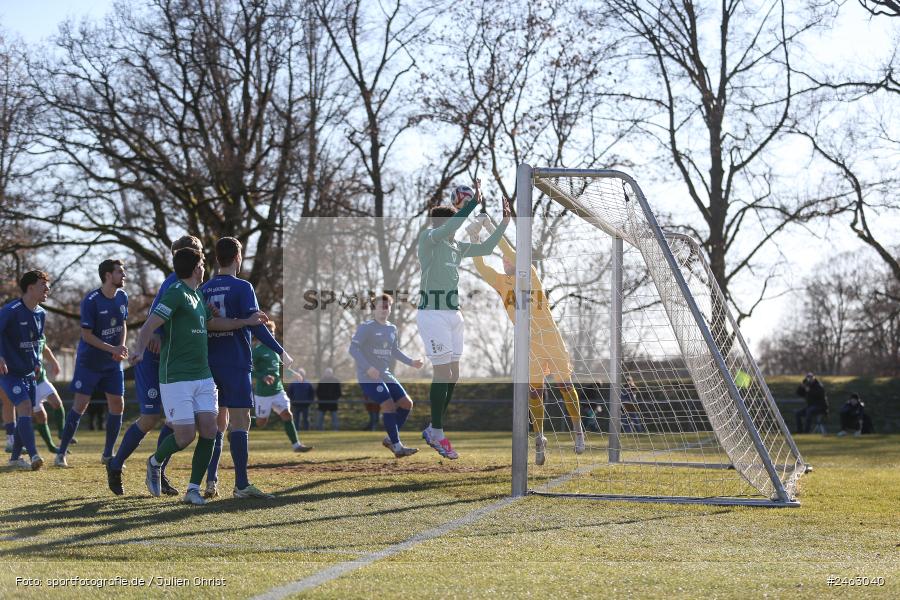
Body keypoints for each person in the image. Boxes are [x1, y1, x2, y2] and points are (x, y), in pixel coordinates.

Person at [130, 247, 266, 505]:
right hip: (176, 377)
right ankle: (154, 461)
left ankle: (192, 489)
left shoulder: (197, 296)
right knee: (185, 436)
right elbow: (150, 325)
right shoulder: (175, 294)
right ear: (195, 268)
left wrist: (244, 322)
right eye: (202, 263)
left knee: (210, 430)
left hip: (203, 376)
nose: (205, 267)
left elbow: (213, 324)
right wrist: (138, 351)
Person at [468, 212, 584, 465]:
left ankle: (577, 430)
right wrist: (476, 238)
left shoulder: (529, 273)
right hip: (527, 345)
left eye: (509, 258)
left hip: (550, 338)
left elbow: (507, 247)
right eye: (504, 260)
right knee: (534, 392)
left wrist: (491, 225)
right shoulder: (500, 282)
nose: (506, 261)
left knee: (565, 386)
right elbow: (480, 266)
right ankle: (540, 437)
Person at [416, 181, 509, 460]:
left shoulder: (455, 246)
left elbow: (488, 247)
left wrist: (504, 222)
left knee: (454, 375)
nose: (452, 229)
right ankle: (439, 432)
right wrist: (471, 204)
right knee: (442, 373)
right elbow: (448, 227)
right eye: (450, 225)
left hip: (454, 315)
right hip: (432, 314)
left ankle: (434, 427)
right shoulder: (429, 239)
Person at [106, 235, 204, 496]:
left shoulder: (195, 286)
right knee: (151, 418)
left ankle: (158, 471)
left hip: (175, 366)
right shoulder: (173, 283)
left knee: (175, 421)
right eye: (192, 254)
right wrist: (154, 339)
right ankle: (115, 465)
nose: (198, 259)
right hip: (153, 361)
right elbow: (154, 320)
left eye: (198, 253)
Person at [200, 237, 294, 499]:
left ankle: (210, 481)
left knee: (217, 423)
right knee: (241, 421)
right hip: (235, 361)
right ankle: (241, 485)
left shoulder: (203, 289)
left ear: (218, 258)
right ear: (238, 257)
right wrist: (280, 350)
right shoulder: (243, 287)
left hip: (208, 362)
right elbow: (254, 324)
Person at [55, 259, 129, 467]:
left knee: (118, 404)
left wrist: (120, 347)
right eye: (120, 272)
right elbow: (87, 336)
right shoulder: (91, 300)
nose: (124, 276)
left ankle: (108, 454)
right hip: (89, 363)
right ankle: (61, 453)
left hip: (113, 363)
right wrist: (112, 349)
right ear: (107, 275)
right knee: (80, 405)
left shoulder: (123, 296)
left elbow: (122, 324)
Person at [349, 293, 424, 457]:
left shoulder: (392, 328)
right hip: (368, 377)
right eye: (381, 306)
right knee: (388, 405)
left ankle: (390, 439)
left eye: (387, 306)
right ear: (374, 308)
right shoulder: (366, 327)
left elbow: (394, 351)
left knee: (406, 403)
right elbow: (353, 349)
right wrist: (368, 367)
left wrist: (411, 362)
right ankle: (397, 447)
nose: (384, 309)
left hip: (386, 375)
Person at [0, 270, 51, 470]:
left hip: (29, 372)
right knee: (24, 407)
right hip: (8, 372)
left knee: (26, 414)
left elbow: (38, 341)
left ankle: (14, 459)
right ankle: (34, 455)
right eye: (43, 285)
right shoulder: (10, 310)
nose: (47, 289)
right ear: (30, 288)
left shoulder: (41, 313)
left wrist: (37, 362)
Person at [252, 322, 312, 453]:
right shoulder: (256, 351)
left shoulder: (275, 350)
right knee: (261, 422)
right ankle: (237, 426)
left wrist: (293, 373)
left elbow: (281, 368)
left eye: (272, 332)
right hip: (263, 393)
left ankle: (296, 445)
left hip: (278, 391)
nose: (271, 334)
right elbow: (249, 369)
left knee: (287, 415)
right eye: (268, 332)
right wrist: (263, 376)